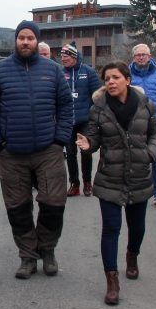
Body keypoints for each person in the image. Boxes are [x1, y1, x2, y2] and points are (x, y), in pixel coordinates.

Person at [0, 20, 73, 279]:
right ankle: (27, 257)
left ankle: (48, 250)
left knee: (54, 204)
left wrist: (60, 140)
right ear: (15, 41)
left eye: (30, 38)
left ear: (37, 41)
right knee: (18, 209)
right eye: (21, 37)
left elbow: (66, 107)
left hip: (48, 151)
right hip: (12, 154)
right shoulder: (0, 71)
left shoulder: (53, 71)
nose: (25, 42)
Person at [75, 61, 156, 305]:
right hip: (110, 178)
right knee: (111, 230)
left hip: (138, 175)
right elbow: (94, 136)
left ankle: (132, 256)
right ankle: (112, 281)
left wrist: (151, 153)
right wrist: (89, 144)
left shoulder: (146, 105)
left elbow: (154, 133)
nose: (110, 82)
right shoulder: (98, 109)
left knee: (138, 227)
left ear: (127, 80)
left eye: (115, 77)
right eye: (107, 79)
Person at [129, 44, 156, 206]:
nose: (141, 57)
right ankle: (134, 190)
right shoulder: (127, 75)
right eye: (138, 55)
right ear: (134, 57)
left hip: (155, 121)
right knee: (134, 157)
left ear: (150, 56)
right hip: (133, 122)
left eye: (144, 55)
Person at [60, 42, 101, 197]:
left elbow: (97, 96)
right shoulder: (60, 73)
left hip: (85, 120)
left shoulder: (88, 72)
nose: (63, 59)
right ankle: (74, 183)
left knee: (86, 152)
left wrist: (94, 116)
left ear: (74, 56)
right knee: (70, 154)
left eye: (66, 56)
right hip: (67, 121)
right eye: (62, 56)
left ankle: (87, 182)